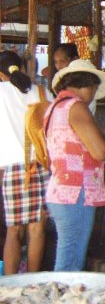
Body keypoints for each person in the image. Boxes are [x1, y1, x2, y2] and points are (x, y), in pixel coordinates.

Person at [45, 59, 105, 271]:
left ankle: (62, 299)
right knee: (70, 262)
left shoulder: (55, 107)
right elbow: (100, 152)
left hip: (61, 190)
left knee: (68, 255)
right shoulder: (77, 107)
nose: (93, 95)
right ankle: (63, 302)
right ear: (89, 85)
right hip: (77, 193)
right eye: (94, 89)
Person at [0, 51, 52, 274]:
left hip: (8, 168)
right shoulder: (40, 91)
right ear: (21, 68)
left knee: (13, 230)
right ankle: (32, 281)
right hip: (39, 164)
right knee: (37, 228)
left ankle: (9, 285)